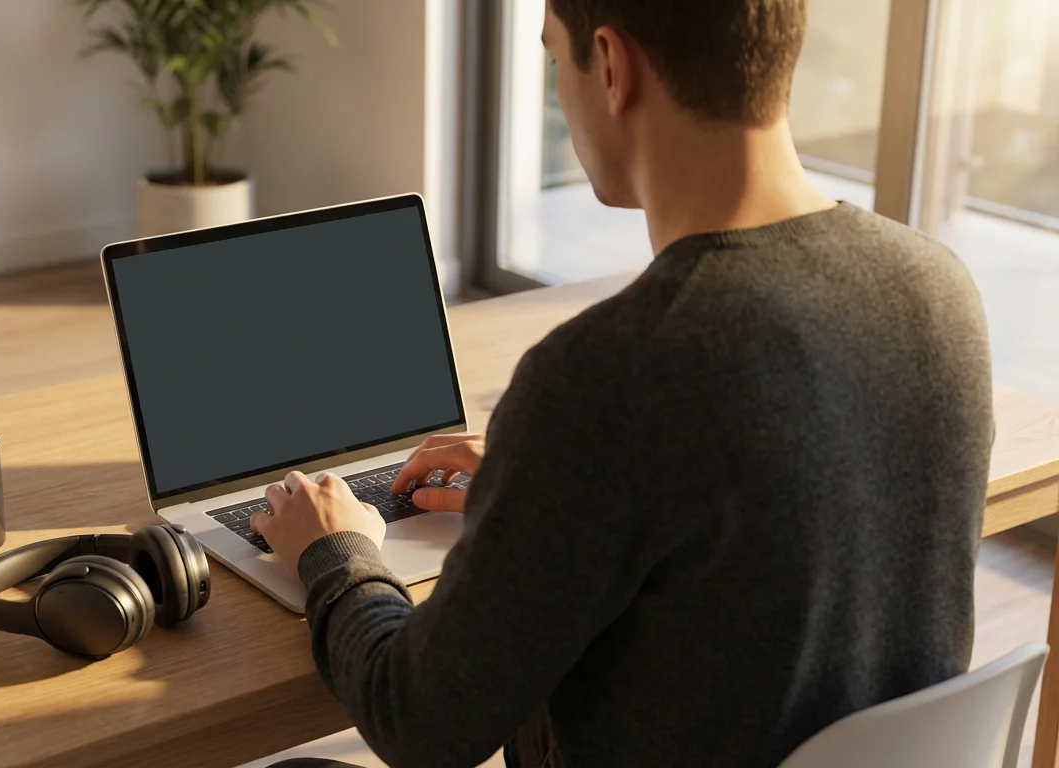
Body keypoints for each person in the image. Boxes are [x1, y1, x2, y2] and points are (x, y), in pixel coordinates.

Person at [250, 0, 994, 765]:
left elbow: (419, 723)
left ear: (611, 66)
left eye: (552, 61)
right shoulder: (938, 288)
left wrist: (337, 551)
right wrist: (540, 497)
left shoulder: (609, 373)